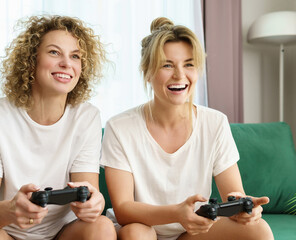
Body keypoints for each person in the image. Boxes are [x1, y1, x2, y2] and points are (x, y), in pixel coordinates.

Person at [101, 17, 274, 240]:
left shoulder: (215, 122)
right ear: (147, 71)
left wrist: (244, 207)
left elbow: (233, 194)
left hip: (192, 231)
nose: (180, 75)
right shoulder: (119, 127)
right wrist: (176, 213)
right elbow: (124, 209)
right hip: (142, 226)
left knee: (258, 230)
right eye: (167, 65)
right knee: (137, 234)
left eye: (189, 64)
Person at [0, 15, 116, 240]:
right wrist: (10, 209)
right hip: (8, 232)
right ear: (31, 60)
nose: (66, 63)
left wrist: (96, 202)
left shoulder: (87, 116)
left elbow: (88, 190)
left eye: (75, 56)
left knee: (102, 226)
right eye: (54, 52)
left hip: (63, 233)